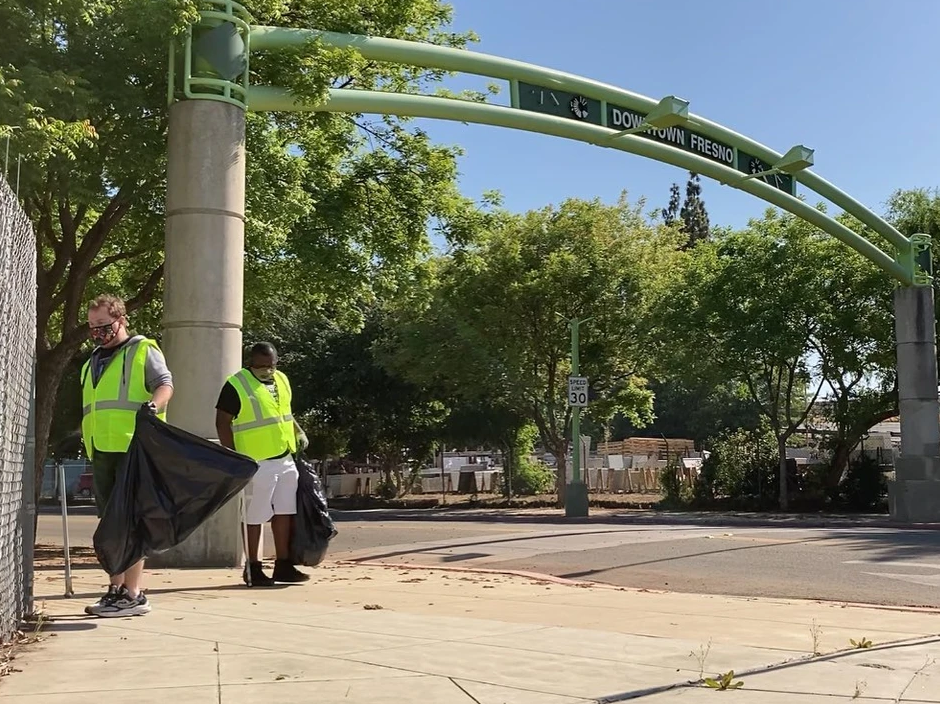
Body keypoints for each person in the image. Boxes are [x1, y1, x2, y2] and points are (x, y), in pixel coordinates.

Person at [81, 294, 174, 617]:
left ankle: (132, 593)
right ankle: (115, 589)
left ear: (120, 320)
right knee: (111, 524)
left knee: (132, 521)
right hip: (103, 450)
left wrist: (153, 406)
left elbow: (164, 384)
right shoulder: (91, 360)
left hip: (133, 448)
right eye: (92, 326)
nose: (97, 332)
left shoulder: (141, 350)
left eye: (103, 325)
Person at [215, 342, 310, 587]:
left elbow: (285, 413)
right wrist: (232, 456)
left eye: (271, 365)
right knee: (254, 515)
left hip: (284, 457)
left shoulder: (282, 381)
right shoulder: (236, 384)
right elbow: (222, 422)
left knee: (285, 511)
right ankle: (253, 567)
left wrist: (298, 432)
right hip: (255, 462)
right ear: (251, 363)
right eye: (261, 365)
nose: (267, 370)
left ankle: (283, 565)